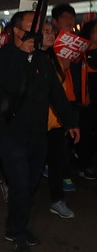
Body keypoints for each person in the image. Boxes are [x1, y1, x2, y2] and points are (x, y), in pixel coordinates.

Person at [0, 11, 79, 252]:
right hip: (10, 135)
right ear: (18, 32)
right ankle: (18, 233)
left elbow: (55, 94)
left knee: (29, 185)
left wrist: (70, 121)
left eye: (40, 26)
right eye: (32, 27)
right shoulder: (5, 57)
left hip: (36, 136)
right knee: (20, 183)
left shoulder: (43, 60)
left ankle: (15, 224)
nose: (39, 31)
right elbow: (10, 83)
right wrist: (22, 55)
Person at [40, 21, 75, 218]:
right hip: (36, 121)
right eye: (45, 31)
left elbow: (60, 90)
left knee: (56, 161)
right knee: (31, 162)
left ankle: (57, 200)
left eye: (52, 31)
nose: (50, 34)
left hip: (55, 121)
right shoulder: (30, 57)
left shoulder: (57, 57)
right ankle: (13, 186)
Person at [72, 20, 97, 180]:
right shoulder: (81, 52)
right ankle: (83, 164)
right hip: (88, 100)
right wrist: (84, 95)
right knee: (87, 132)